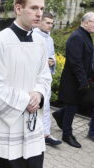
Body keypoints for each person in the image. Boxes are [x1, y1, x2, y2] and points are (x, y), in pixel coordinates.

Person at [0, 0, 52, 168]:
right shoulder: (0, 41)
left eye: (41, 8)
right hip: (3, 125)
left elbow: (44, 77)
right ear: (18, 8)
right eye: (34, 8)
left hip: (31, 125)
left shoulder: (41, 42)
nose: (39, 13)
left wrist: (39, 95)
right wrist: (26, 100)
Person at [52, 12, 94, 148]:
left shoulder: (85, 36)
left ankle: (60, 115)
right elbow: (75, 61)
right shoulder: (77, 37)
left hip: (80, 79)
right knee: (72, 106)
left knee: (75, 105)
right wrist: (83, 80)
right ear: (86, 22)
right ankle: (67, 134)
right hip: (73, 81)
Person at [33, 12, 62, 146]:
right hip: (36, 79)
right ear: (39, 22)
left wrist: (52, 61)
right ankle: (34, 134)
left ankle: (46, 134)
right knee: (37, 105)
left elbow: (51, 55)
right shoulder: (33, 36)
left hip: (46, 77)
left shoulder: (49, 39)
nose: (51, 26)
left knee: (46, 106)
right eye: (48, 23)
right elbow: (32, 59)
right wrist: (45, 61)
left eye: (52, 23)